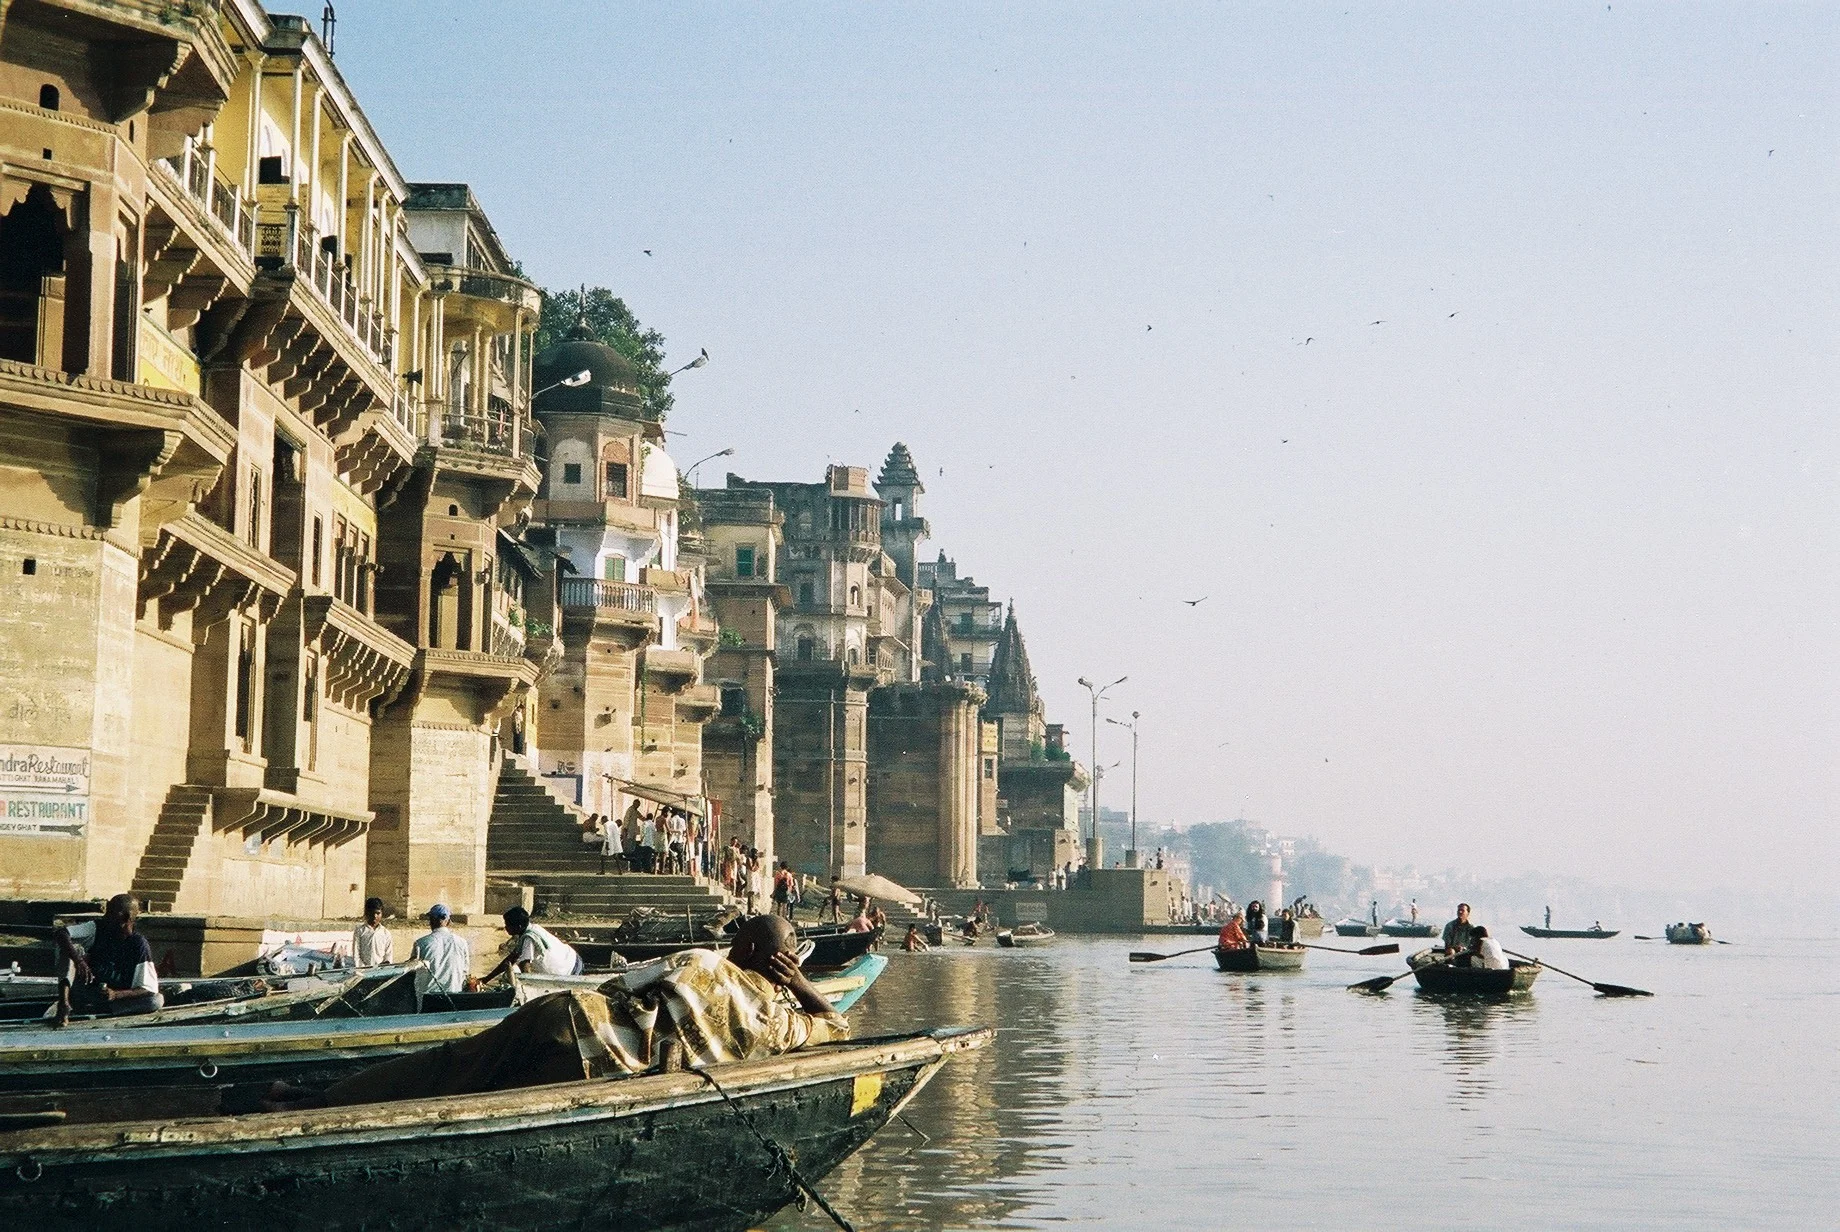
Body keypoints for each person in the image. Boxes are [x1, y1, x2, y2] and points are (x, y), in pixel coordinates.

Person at [275, 915, 845, 1110]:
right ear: (785, 964)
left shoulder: (701, 961)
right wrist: (803, 986)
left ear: (744, 946)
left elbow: (622, 983)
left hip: (567, 1011)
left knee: (455, 1063)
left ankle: (320, 1099)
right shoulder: (775, 1021)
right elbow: (837, 1026)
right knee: (477, 1095)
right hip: (597, 1062)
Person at [51, 893, 162, 1023]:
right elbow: (62, 933)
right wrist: (79, 961)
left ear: (126, 917)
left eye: (111, 914)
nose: (106, 917)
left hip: (116, 1000)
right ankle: (64, 1004)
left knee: (155, 1000)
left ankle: (98, 1011)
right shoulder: (97, 927)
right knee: (70, 949)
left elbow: (148, 989)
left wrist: (115, 994)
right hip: (87, 991)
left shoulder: (139, 944)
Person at [479, 906, 584, 985]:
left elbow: (525, 966)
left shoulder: (528, 939)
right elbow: (511, 958)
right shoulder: (533, 928)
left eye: (508, 925)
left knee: (510, 976)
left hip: (569, 971)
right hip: (573, 959)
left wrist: (527, 988)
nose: (505, 928)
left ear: (519, 926)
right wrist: (486, 979)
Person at [410, 903, 471, 996]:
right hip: (455, 994)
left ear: (431, 921)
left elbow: (412, 971)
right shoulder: (462, 942)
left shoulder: (421, 943)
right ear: (448, 922)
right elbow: (465, 970)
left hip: (427, 997)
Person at [351, 897, 394, 968]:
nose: (375, 916)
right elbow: (356, 954)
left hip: (380, 971)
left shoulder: (386, 933)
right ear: (367, 913)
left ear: (382, 914)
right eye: (372, 913)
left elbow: (388, 956)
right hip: (362, 970)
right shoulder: (360, 931)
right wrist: (362, 968)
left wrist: (384, 968)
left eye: (378, 913)